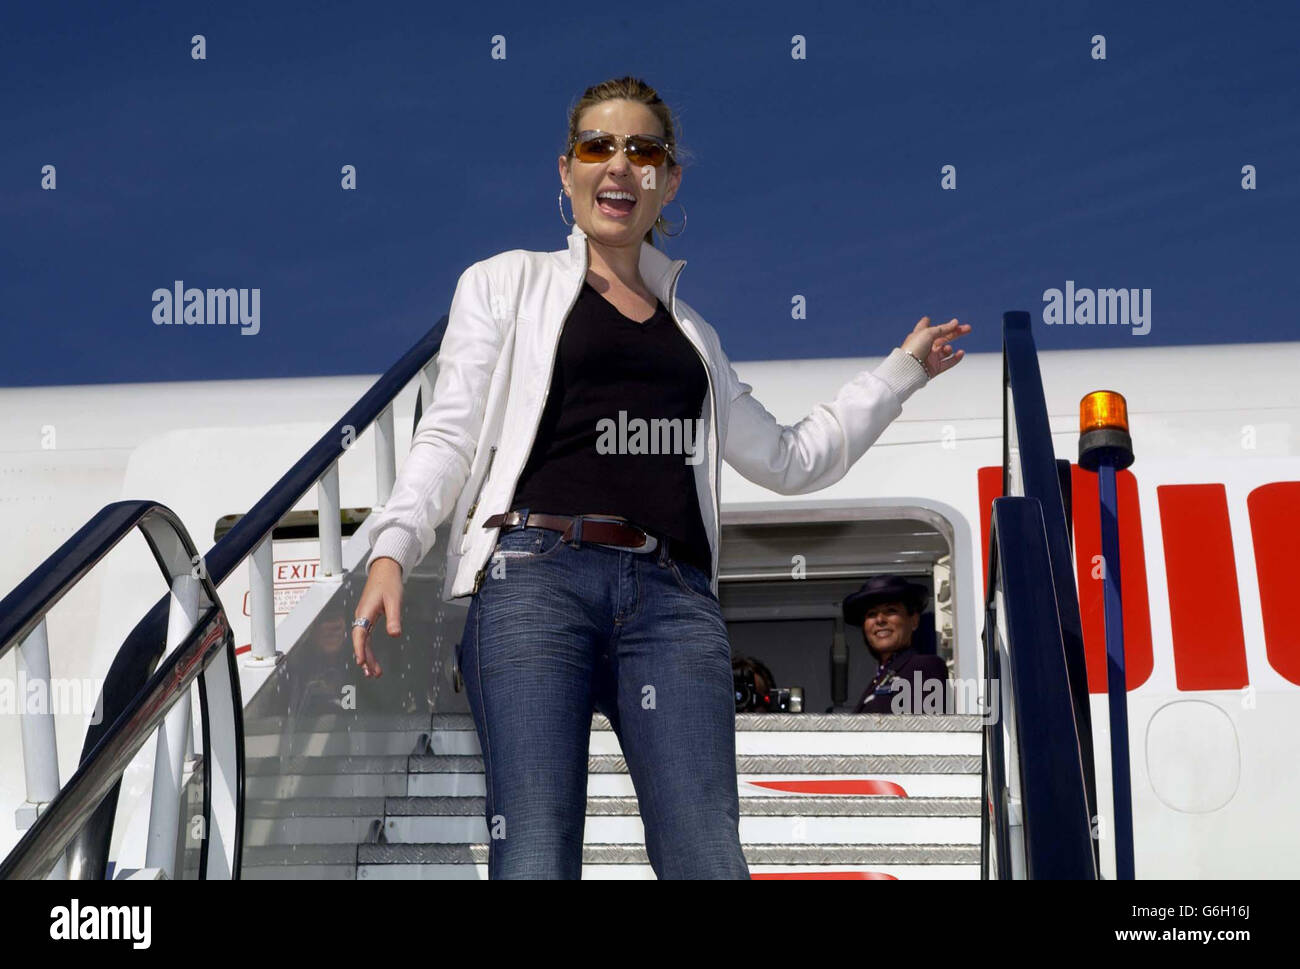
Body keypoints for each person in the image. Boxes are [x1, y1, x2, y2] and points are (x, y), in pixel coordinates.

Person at [350, 76, 971, 879]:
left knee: (707, 856)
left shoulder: (695, 336)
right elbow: (452, 431)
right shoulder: (506, 284)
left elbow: (789, 456)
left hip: (673, 601)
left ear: (667, 180)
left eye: (643, 151)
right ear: (566, 171)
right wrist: (395, 543)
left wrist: (899, 373)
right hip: (536, 577)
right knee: (535, 849)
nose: (619, 166)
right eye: (597, 147)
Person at [842, 575, 950, 714]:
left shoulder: (924, 666)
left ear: (914, 621)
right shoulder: (878, 679)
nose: (880, 619)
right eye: (871, 614)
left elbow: (922, 731)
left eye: (891, 611)